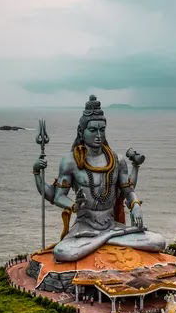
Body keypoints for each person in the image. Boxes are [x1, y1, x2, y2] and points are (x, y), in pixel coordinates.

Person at [33, 95, 166, 262]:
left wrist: (136, 206)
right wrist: (38, 174)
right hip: (85, 227)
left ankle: (104, 238)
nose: (98, 135)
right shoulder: (70, 161)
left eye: (102, 130)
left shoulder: (117, 160)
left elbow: (128, 191)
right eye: (93, 130)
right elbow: (57, 196)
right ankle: (108, 239)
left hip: (111, 225)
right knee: (63, 252)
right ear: (82, 132)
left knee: (158, 242)